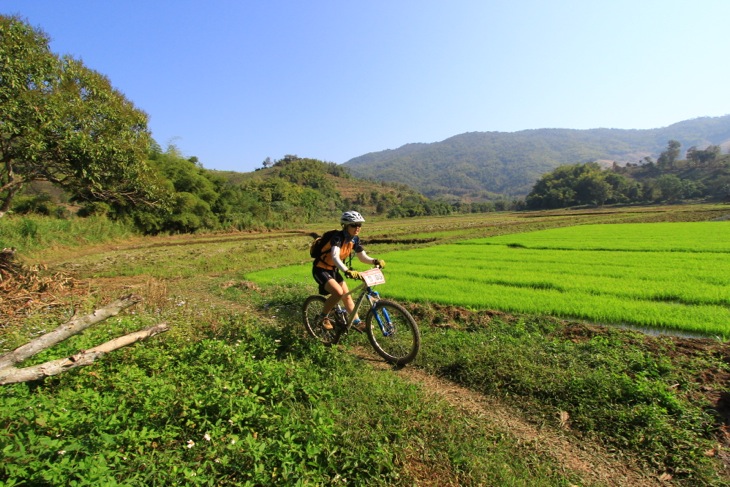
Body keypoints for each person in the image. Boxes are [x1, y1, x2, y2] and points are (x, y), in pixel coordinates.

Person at [312, 210, 385, 332]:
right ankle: (322, 318)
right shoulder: (337, 238)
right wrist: (347, 271)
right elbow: (335, 256)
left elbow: (362, 257)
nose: (357, 228)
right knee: (338, 293)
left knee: (347, 296)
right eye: (354, 225)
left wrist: (375, 261)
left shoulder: (354, 239)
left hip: (333, 270)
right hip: (320, 269)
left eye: (359, 225)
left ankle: (357, 322)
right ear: (345, 225)